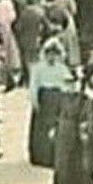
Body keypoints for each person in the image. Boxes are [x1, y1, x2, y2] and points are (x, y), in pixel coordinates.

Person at [51, 71, 93, 184]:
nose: (70, 86)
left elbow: (87, 116)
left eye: (73, 83)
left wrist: (84, 130)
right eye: (68, 83)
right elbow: (56, 114)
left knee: (76, 162)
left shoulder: (83, 99)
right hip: (62, 133)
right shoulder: (62, 98)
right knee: (61, 162)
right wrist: (54, 127)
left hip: (76, 132)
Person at [25, 38, 68, 168]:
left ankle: (54, 155)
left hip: (57, 101)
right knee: (41, 131)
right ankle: (40, 156)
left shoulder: (62, 68)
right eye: (49, 54)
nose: (52, 57)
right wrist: (34, 101)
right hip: (44, 100)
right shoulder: (38, 68)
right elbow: (34, 85)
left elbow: (67, 83)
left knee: (56, 127)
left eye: (54, 54)